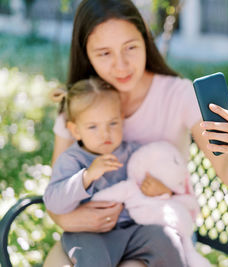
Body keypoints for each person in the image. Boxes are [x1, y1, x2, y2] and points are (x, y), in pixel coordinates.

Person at [46, 0, 228, 266]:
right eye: (104, 53)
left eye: (130, 47)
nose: (121, 65)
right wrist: (68, 219)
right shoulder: (80, 104)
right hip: (95, 234)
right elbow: (55, 186)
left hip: (162, 228)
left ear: (146, 39)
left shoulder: (178, 95)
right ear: (85, 53)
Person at [45, 77, 186, 266]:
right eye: (92, 127)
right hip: (88, 234)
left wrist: (163, 191)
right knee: (94, 261)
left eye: (112, 123)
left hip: (133, 229)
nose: (105, 134)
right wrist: (86, 177)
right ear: (75, 130)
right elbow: (54, 201)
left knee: (166, 240)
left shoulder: (134, 152)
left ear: (121, 119)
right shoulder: (72, 160)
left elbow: (158, 179)